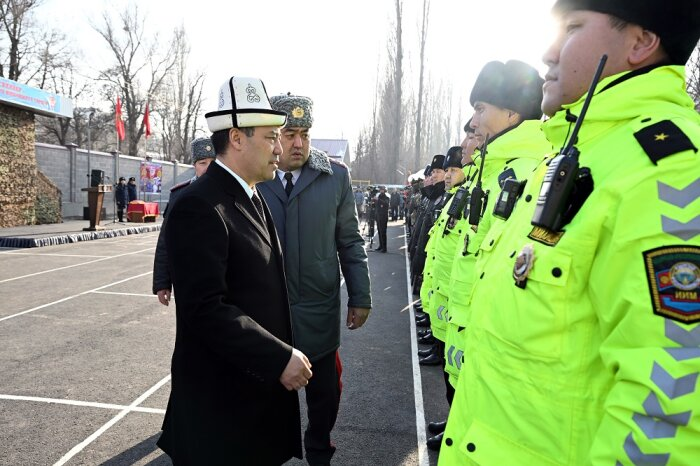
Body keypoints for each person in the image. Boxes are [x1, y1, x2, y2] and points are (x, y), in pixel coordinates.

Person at [440, 2, 700, 464]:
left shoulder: (666, 172)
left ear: (642, 41)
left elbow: (672, 400)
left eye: (573, 28)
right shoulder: (574, 155)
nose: (548, 51)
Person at [157, 76, 311, 465]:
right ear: (237, 138)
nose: (280, 148)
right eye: (271, 137)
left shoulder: (251, 194)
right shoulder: (199, 205)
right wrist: (278, 357)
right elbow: (205, 308)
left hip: (249, 404)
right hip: (220, 413)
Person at [258, 94, 371, 466]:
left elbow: (350, 241)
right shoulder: (256, 176)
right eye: (289, 133)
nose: (298, 143)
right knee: (266, 394)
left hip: (318, 309)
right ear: (274, 135)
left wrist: (360, 296)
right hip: (269, 312)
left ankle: (319, 449)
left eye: (304, 134)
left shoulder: (334, 177)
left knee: (325, 395)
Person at [152, 137, 216, 306]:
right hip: (189, 279)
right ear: (194, 166)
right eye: (202, 163)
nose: (208, 167)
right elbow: (166, 239)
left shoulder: (230, 192)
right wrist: (162, 282)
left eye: (213, 162)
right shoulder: (180, 195)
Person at [374, 185, 390, 252]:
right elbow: (376, 206)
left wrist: (378, 200)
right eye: (380, 189)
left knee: (383, 232)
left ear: (384, 190)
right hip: (378, 216)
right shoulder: (379, 196)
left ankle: (384, 248)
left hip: (383, 217)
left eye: (382, 189)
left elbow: (386, 204)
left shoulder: (386, 197)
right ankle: (381, 246)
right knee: (379, 232)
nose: (381, 191)